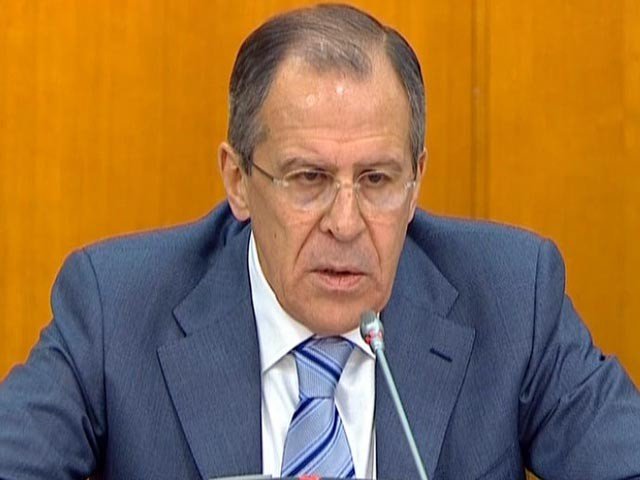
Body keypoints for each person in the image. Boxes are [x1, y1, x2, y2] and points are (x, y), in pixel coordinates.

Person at [1, 4, 639, 479]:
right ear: (239, 181)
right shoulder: (116, 310)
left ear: (416, 181)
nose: (346, 222)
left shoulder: (512, 298)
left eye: (377, 179)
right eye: (309, 179)